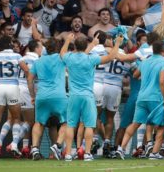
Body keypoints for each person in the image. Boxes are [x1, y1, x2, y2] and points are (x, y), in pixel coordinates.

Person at [61, 33, 120, 162]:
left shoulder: (69, 57)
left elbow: (62, 53)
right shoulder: (91, 58)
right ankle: (87, 153)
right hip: (87, 96)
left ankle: (68, 154)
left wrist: (67, 41)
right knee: (89, 125)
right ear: (86, 46)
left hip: (73, 96)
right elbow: (111, 57)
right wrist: (117, 44)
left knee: (71, 125)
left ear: (75, 46)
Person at [27, 39, 67, 160]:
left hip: (42, 96)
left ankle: (34, 148)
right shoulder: (61, 58)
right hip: (59, 96)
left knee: (39, 123)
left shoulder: (38, 62)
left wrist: (32, 95)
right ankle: (58, 145)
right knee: (66, 122)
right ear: (58, 48)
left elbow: (29, 79)